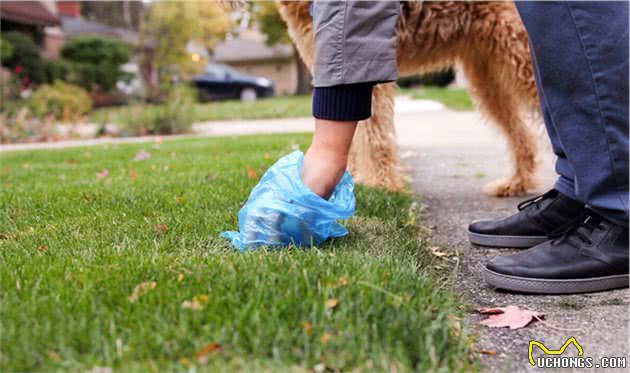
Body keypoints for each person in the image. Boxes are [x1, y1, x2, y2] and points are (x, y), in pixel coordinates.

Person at [302, 1, 628, 294]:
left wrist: (329, 150)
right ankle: (578, 187)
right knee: (546, 31)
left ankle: (618, 204)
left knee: (557, 33)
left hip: (476, 10)